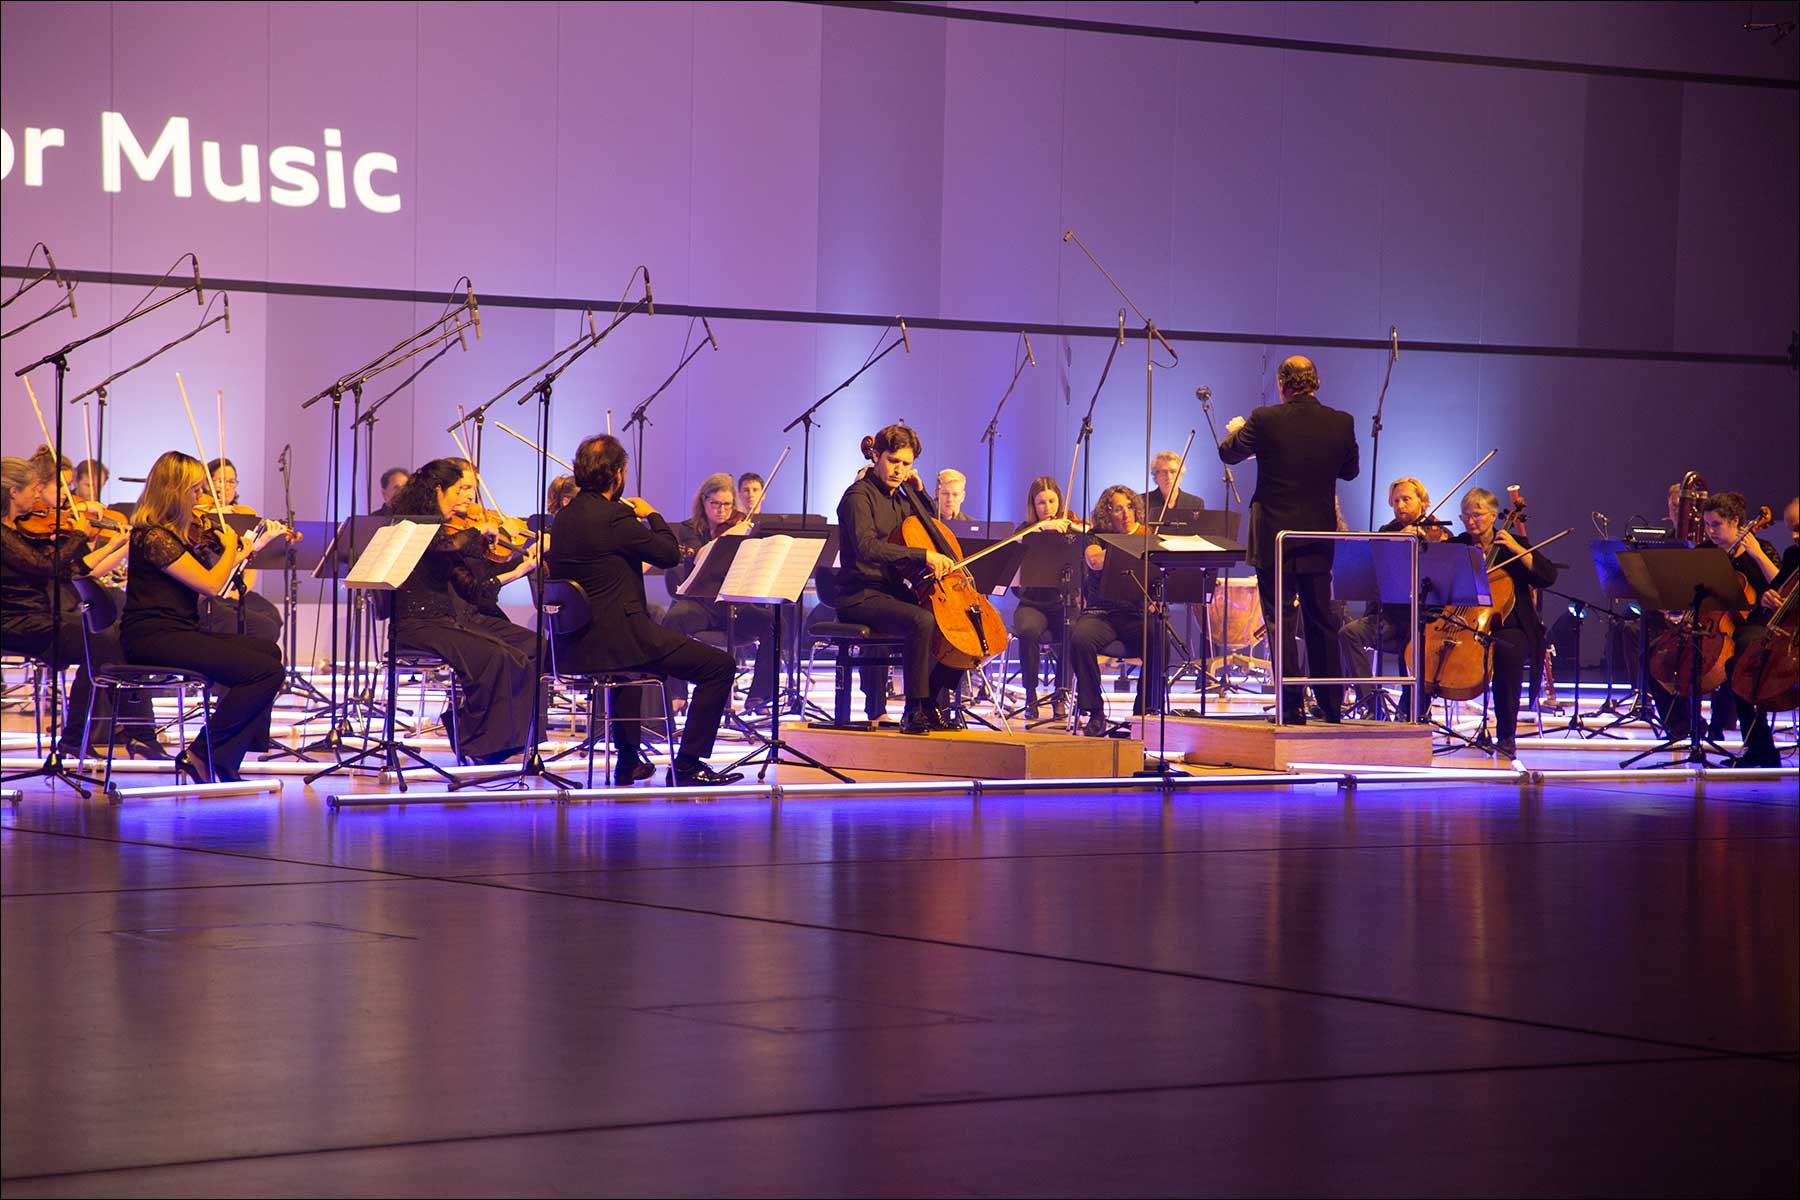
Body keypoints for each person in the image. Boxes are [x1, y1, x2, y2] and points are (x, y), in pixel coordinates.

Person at [547, 435, 744, 786]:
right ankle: (688, 764)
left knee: (627, 669)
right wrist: (652, 514)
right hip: (621, 640)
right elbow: (667, 554)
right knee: (719, 666)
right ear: (617, 475)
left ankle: (628, 761)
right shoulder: (616, 517)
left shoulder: (562, 519)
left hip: (572, 645)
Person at [121, 451, 288, 782]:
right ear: (174, 492)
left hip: (178, 630)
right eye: (195, 490)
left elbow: (202, 590)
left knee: (269, 652)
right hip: (153, 638)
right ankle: (204, 754)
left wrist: (241, 554)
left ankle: (222, 757)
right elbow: (211, 587)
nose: (201, 497)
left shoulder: (174, 536)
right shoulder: (153, 536)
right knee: (266, 671)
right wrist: (231, 548)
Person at [1218, 355, 1358, 724]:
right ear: (1317, 383)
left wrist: (1240, 431)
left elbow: (1228, 453)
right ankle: (1331, 705)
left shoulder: (1265, 419)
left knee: (1281, 620)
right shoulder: (1341, 421)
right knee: (1321, 618)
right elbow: (1350, 471)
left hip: (1274, 536)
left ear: (1282, 386)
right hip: (1316, 534)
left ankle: (1291, 706)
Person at [0, 455, 162, 760]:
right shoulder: (4, 534)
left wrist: (112, 546)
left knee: (113, 637)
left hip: (39, 618)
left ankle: (126, 732)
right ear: (13, 492)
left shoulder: (20, 528)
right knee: (101, 640)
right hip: (15, 623)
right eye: (33, 489)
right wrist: (77, 535)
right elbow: (46, 566)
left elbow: (70, 570)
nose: (38, 495)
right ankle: (111, 734)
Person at [386, 459, 541, 766]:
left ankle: (508, 741)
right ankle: (478, 742)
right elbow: (445, 547)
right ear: (438, 490)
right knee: (497, 656)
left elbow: (470, 587)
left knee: (520, 652)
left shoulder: (443, 531)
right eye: (459, 490)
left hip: (444, 622)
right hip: (416, 626)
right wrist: (478, 531)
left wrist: (518, 567)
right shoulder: (413, 525)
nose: (465, 498)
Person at [834, 424, 964, 735]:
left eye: (906, 464)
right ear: (876, 456)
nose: (899, 470)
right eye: (893, 461)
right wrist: (923, 556)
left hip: (891, 592)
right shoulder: (857, 497)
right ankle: (913, 710)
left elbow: (929, 527)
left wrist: (919, 493)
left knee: (955, 620)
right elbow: (867, 548)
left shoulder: (903, 498)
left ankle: (931, 702)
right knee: (921, 620)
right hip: (860, 595)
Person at [1443, 487, 1557, 760]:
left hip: (1510, 622)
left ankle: (1506, 736)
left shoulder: (1511, 544)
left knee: (1508, 653)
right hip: (1465, 621)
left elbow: (1547, 576)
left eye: (1478, 515)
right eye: (1465, 516)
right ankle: (1417, 723)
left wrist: (1518, 549)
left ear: (1494, 516)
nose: (1471, 521)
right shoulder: (1457, 546)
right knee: (1428, 645)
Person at [664, 472, 777, 713]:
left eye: (727, 504)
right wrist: (730, 535)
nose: (722, 510)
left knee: (774, 623)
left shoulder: (742, 525)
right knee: (673, 619)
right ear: (704, 501)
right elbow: (700, 557)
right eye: (716, 504)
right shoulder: (689, 528)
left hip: (734, 604)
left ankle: (759, 697)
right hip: (701, 604)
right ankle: (677, 694)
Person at [1338, 476, 1445, 718]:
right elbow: (1374, 566)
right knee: (1348, 633)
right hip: (1389, 617)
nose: (1400, 505)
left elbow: (1444, 571)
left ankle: (1410, 713)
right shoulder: (1387, 531)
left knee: (1414, 644)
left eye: (1406, 499)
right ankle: (1372, 706)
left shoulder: (1437, 531)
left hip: (1424, 621)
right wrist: (1396, 541)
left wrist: (1428, 540)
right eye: (1396, 501)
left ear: (1422, 502)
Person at [1069, 485, 1165, 735]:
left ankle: (1143, 712)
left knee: (1159, 637)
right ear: (1106, 514)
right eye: (1118, 509)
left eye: (1130, 507)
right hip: (1101, 614)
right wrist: (1131, 546)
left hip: (1135, 614)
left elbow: (1160, 575)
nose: (1126, 514)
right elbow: (1095, 561)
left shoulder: (1147, 536)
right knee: (1080, 639)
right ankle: (1095, 712)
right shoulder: (1096, 536)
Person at [1698, 491, 1781, 768]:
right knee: (1657, 654)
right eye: (1706, 524)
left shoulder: (1761, 549)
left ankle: (1759, 748)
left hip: (1755, 625)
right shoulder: (1705, 553)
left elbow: (1784, 586)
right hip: (1713, 626)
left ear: (1735, 522)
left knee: (1740, 661)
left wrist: (1757, 555)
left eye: (1716, 524)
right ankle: (1685, 727)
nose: (1710, 531)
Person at [1011, 476, 1082, 720]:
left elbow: (1090, 538)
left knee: (1073, 631)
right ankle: (1030, 695)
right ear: (1033, 504)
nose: (1048, 508)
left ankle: (1060, 694)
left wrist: (1077, 529)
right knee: (1028, 630)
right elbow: (1013, 546)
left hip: (1063, 603)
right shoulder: (1025, 530)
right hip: (1032, 604)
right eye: (1041, 502)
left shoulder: (1069, 529)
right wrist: (1040, 529)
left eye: (1052, 501)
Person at [1145, 450, 1205, 526]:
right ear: (1155, 475)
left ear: (1181, 475)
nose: (1169, 477)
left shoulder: (1196, 503)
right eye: (1164, 472)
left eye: (1173, 472)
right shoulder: (1142, 502)